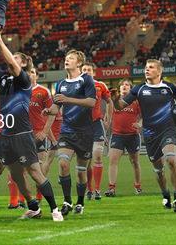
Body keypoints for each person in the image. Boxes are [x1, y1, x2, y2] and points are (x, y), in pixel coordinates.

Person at [0, 32, 63, 221]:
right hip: (7, 135)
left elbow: (10, 62)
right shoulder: (4, 80)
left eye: (16, 58)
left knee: (35, 172)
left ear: (22, 65)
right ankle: (33, 207)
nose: (11, 60)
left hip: (22, 134)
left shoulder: (24, 81)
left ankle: (55, 209)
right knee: (16, 176)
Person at [113, 59, 176, 212]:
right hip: (150, 135)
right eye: (145, 67)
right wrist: (115, 99)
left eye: (150, 67)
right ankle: (165, 195)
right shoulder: (139, 89)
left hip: (168, 130)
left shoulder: (169, 87)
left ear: (159, 71)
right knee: (159, 170)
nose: (146, 70)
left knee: (171, 159)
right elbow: (120, 106)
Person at [43, 50, 96, 216]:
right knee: (63, 164)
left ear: (79, 63)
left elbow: (91, 102)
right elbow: (56, 106)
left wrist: (68, 99)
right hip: (67, 130)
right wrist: (48, 111)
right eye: (66, 59)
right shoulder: (60, 84)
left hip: (85, 132)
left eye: (71, 59)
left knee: (81, 172)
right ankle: (67, 201)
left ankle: (80, 202)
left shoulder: (86, 80)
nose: (67, 61)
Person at [81, 62, 113, 200]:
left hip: (96, 124)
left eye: (89, 70)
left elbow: (110, 102)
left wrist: (108, 119)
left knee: (97, 155)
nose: (87, 71)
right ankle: (89, 189)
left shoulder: (100, 85)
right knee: (86, 159)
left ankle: (98, 189)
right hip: (82, 126)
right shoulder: (76, 85)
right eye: (84, 69)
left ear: (93, 72)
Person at [105, 79, 142, 197]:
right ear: (119, 88)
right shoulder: (113, 101)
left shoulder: (136, 101)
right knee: (113, 160)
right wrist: (105, 134)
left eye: (127, 85)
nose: (124, 86)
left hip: (133, 136)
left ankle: (137, 186)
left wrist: (140, 124)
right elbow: (108, 118)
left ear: (131, 88)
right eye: (122, 85)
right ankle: (111, 188)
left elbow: (144, 115)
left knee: (135, 162)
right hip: (117, 135)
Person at [29, 66, 56, 202]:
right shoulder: (19, 90)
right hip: (23, 135)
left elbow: (52, 112)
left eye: (33, 72)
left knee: (39, 168)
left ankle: (39, 197)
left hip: (38, 135)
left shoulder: (43, 91)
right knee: (19, 168)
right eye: (28, 72)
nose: (30, 74)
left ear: (37, 76)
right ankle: (20, 200)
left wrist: (45, 132)